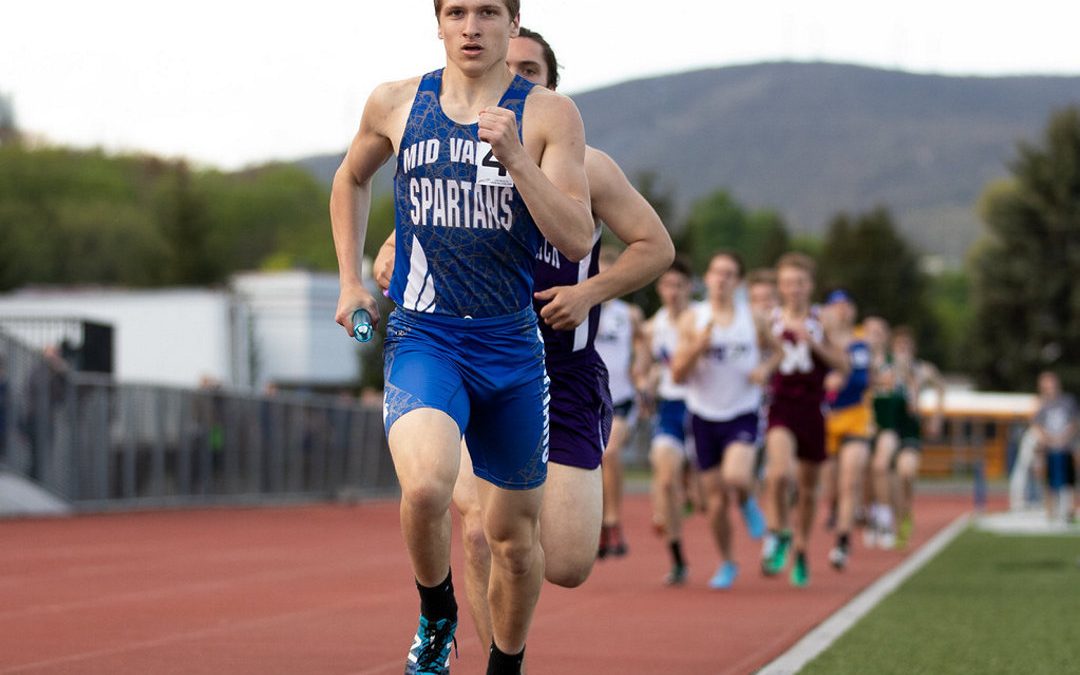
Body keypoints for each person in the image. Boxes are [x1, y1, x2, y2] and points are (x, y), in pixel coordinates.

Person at [375, 25, 674, 653]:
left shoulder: (587, 166)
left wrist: (590, 292)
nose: (511, 81)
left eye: (529, 71)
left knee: (565, 560)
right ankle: (497, 661)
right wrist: (390, 251)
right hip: (468, 355)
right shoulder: (448, 152)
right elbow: (412, 223)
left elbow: (656, 247)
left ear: (549, 88)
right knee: (483, 531)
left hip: (560, 374)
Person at [329, 2, 595, 672]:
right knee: (425, 488)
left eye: (486, 12)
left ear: (512, 24)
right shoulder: (396, 102)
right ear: (439, 25)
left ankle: (506, 661)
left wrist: (515, 158)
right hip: (427, 336)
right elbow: (350, 177)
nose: (471, 26)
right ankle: (437, 611)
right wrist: (350, 281)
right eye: (456, 12)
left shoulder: (548, 116)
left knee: (513, 541)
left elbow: (577, 235)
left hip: (511, 348)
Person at [670, 251, 775, 589]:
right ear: (708, 278)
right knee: (714, 504)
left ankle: (747, 501)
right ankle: (728, 562)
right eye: (715, 272)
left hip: (742, 411)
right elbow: (677, 373)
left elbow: (778, 351)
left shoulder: (753, 318)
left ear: (739, 281)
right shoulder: (693, 319)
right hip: (703, 415)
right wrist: (698, 347)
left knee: (737, 475)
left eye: (728, 273)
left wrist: (765, 369)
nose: (720, 279)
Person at [760, 253, 848, 587]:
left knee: (810, 489)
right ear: (779, 287)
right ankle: (779, 531)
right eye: (786, 283)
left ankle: (801, 546)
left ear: (809, 285)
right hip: (780, 404)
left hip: (812, 407)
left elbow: (844, 365)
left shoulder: (823, 319)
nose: (793, 289)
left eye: (799, 282)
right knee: (779, 474)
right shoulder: (769, 318)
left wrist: (815, 344)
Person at [639, 257, 695, 582]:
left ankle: (691, 492)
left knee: (708, 493)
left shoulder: (703, 320)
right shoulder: (652, 327)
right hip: (672, 408)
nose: (672, 292)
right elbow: (646, 369)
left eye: (679, 286)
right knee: (664, 477)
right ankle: (677, 558)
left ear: (689, 288)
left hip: (706, 409)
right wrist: (645, 384)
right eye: (667, 285)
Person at [593, 247, 649, 558]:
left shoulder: (628, 314)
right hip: (588, 397)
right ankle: (598, 522)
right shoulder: (582, 307)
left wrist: (641, 367)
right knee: (594, 460)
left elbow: (642, 342)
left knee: (610, 452)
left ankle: (612, 520)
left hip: (622, 397)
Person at [868, 326, 944, 548]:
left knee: (906, 474)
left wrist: (936, 417)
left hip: (910, 429)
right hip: (888, 427)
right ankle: (884, 516)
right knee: (883, 469)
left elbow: (941, 387)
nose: (903, 350)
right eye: (899, 346)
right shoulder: (884, 367)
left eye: (907, 346)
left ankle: (905, 513)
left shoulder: (922, 370)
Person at [819, 290, 873, 570]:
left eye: (845, 306)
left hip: (855, 416)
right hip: (825, 418)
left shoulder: (861, 342)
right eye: (835, 306)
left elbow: (866, 378)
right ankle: (836, 511)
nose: (841, 311)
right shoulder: (816, 340)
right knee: (831, 484)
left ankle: (842, 542)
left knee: (850, 479)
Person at [1032, 371, 1077, 523]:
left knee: (1069, 480)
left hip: (1066, 446)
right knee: (1049, 481)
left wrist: (1064, 437)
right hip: (1049, 447)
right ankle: (1050, 511)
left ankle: (1069, 509)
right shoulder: (1042, 404)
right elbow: (1037, 424)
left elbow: (1075, 421)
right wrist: (1048, 438)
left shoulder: (1068, 401)